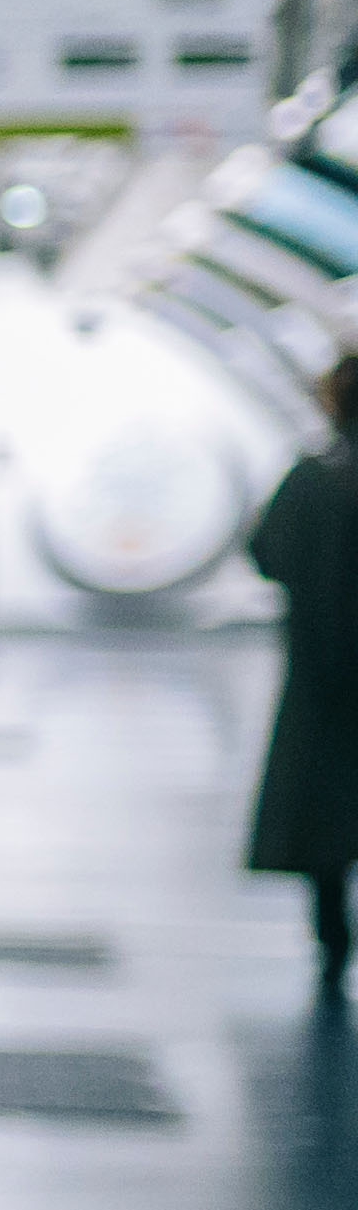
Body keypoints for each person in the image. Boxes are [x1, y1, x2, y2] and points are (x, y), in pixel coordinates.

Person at [251, 358, 358, 996]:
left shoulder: (314, 477)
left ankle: (331, 933)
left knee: (324, 813)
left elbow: (267, 551)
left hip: (320, 675)